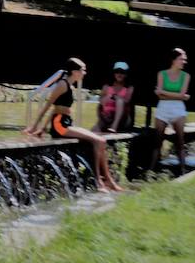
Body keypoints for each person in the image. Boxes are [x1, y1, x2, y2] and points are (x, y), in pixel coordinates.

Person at [25, 57, 124, 192]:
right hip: (60, 124)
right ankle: (99, 181)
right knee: (98, 141)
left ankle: (108, 180)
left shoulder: (70, 86)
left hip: (66, 122)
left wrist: (43, 129)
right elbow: (49, 106)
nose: (85, 72)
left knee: (101, 140)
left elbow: (56, 108)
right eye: (83, 70)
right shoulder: (62, 85)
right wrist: (35, 126)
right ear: (75, 71)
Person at [150, 47, 191, 174]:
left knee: (180, 141)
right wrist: (180, 96)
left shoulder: (186, 76)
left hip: (178, 110)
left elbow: (181, 94)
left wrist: (162, 91)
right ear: (174, 60)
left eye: (185, 60)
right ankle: (151, 171)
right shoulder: (161, 74)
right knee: (158, 141)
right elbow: (178, 96)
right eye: (181, 59)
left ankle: (182, 171)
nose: (184, 62)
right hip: (163, 108)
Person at [93, 61, 135, 132]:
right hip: (106, 117)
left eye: (122, 72)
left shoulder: (129, 88)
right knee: (93, 131)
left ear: (126, 74)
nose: (119, 74)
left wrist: (116, 97)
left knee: (120, 101)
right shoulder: (106, 86)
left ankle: (114, 126)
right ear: (113, 73)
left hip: (122, 119)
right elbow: (100, 101)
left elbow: (127, 101)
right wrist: (108, 97)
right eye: (117, 71)